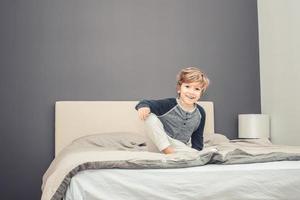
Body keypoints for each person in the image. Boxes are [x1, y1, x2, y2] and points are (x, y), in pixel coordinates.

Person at [135, 67, 210, 154]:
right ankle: (173, 153)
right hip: (158, 146)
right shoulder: (169, 104)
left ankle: (187, 154)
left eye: (197, 89)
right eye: (187, 86)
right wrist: (144, 107)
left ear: (201, 93)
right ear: (179, 89)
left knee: (192, 151)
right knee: (150, 117)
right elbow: (145, 102)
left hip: (179, 147)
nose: (191, 92)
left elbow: (198, 138)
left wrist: (198, 152)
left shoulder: (200, 113)